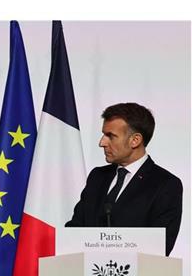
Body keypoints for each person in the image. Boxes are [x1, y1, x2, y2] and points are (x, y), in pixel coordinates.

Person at [66, 102, 182, 256]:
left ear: (135, 140)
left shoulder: (165, 184)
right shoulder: (97, 177)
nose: (102, 143)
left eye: (111, 136)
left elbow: (160, 247)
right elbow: (75, 230)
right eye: (103, 134)